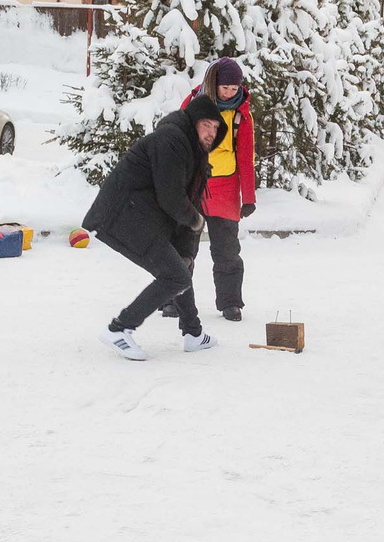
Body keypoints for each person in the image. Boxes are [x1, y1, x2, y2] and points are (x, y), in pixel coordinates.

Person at [87, 91, 224, 360]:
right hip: (123, 215)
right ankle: (119, 328)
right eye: (206, 125)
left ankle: (193, 334)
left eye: (215, 128)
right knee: (175, 276)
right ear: (194, 121)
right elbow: (172, 198)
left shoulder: (195, 154)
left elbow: (188, 203)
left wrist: (187, 250)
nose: (210, 133)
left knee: (181, 267)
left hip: (144, 216)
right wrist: (195, 221)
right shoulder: (171, 140)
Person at [196, 56, 259, 321]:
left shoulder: (242, 115)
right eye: (225, 88)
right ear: (214, 84)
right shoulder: (194, 105)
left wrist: (249, 197)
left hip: (226, 190)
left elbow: (246, 156)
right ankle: (172, 300)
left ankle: (230, 302)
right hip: (194, 187)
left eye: (235, 89)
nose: (230, 93)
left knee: (227, 250)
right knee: (181, 248)